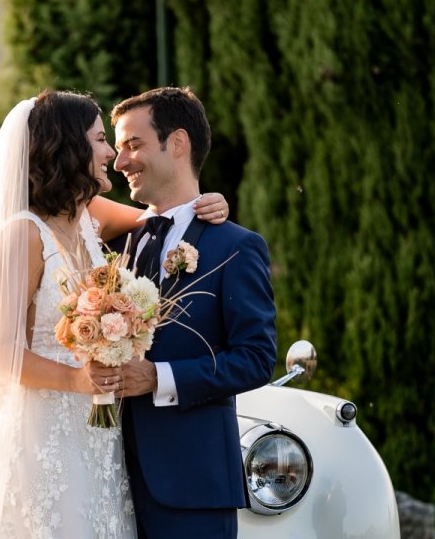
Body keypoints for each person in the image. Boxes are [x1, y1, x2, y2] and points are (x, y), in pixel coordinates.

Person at [0, 90, 230, 539]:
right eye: (101, 140)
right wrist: (77, 380)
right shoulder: (23, 234)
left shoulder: (86, 219)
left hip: (96, 440)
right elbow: (0, 356)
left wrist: (209, 203)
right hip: (43, 435)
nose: (112, 155)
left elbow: (158, 218)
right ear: (69, 147)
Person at [111, 87, 277, 539]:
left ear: (178, 143)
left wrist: (159, 378)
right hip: (105, 484)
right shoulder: (116, 242)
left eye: (133, 144)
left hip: (192, 485)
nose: (120, 161)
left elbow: (257, 358)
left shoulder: (235, 247)